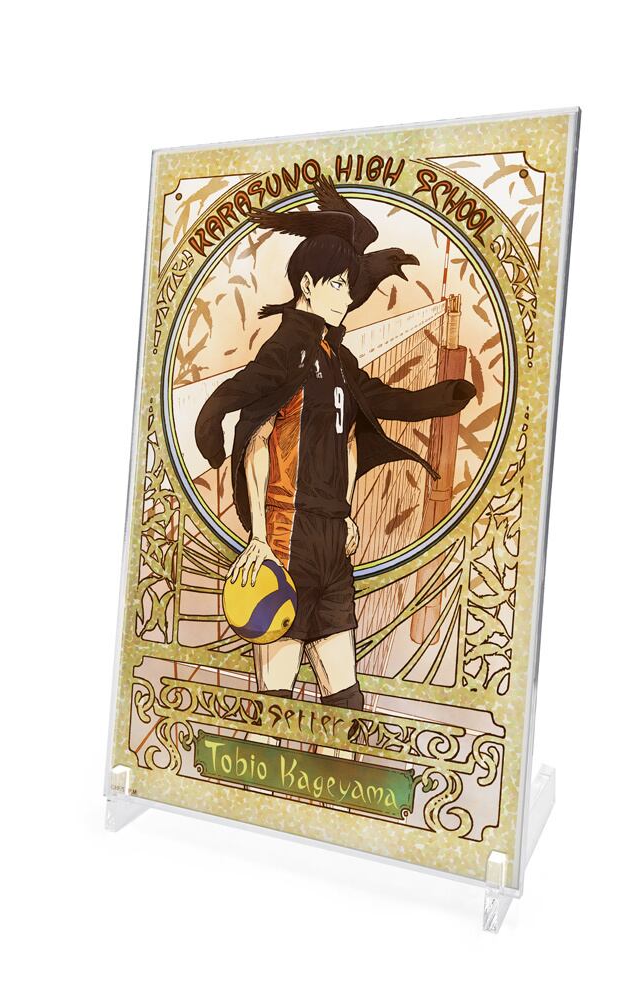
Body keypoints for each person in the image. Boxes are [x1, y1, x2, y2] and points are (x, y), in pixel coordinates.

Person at [195, 207, 476, 713]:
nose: (349, 298)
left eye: (350, 285)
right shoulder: (288, 349)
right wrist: (257, 536)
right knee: (277, 695)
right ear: (307, 284)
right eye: (339, 285)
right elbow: (258, 438)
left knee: (345, 697)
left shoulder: (338, 357)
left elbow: (359, 425)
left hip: (332, 538)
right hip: (286, 534)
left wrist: (441, 399)